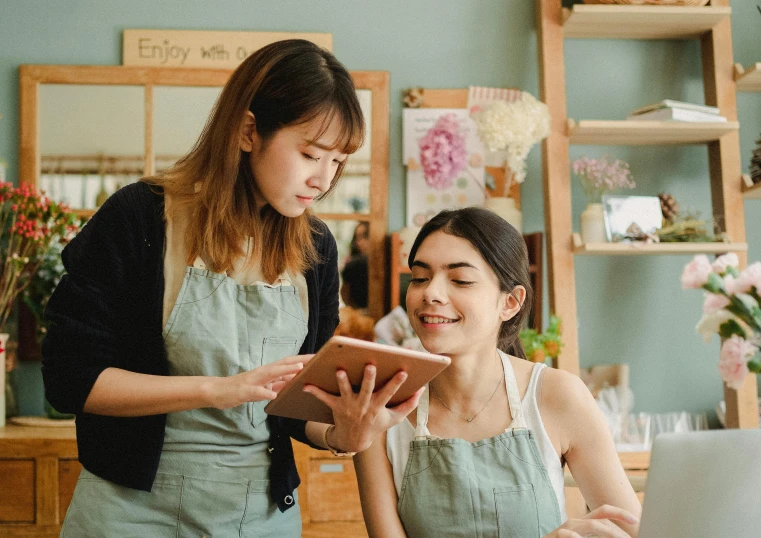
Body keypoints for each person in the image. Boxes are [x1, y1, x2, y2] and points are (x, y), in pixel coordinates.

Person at [42, 39, 421, 537]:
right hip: (128, 512)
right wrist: (217, 390)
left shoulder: (318, 249)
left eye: (337, 162)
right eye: (310, 154)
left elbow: (295, 410)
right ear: (248, 131)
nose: (322, 180)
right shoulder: (139, 218)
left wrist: (342, 432)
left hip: (259, 516)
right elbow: (71, 379)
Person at [354, 207, 642, 538]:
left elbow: (636, 531)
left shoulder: (557, 396)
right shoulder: (379, 409)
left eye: (460, 280)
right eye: (419, 277)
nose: (430, 293)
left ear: (510, 302)